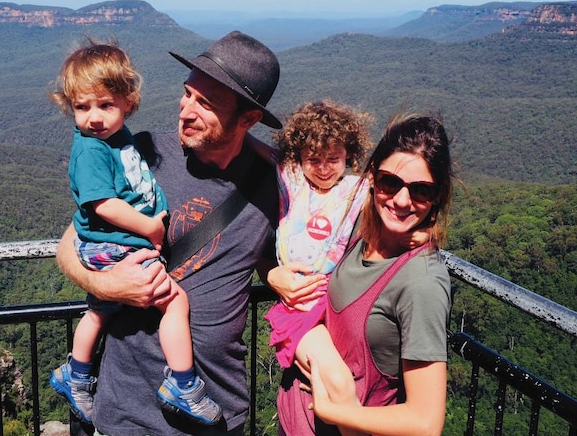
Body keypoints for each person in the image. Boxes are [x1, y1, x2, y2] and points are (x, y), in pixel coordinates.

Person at [54, 31, 282, 436]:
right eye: (188, 93)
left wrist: (276, 275)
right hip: (125, 413)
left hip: (217, 413)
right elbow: (69, 245)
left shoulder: (274, 187)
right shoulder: (141, 154)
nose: (185, 110)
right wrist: (105, 284)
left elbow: (278, 252)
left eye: (205, 104)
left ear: (249, 120)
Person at [46, 37, 222, 426]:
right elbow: (101, 204)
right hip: (114, 246)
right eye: (82, 107)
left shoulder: (118, 139)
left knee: (98, 312)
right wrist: (150, 227)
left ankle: (74, 375)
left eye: (105, 105)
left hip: (114, 244)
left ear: (128, 102)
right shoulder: (92, 149)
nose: (94, 117)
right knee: (174, 301)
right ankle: (182, 384)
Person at [274, 114, 454, 436]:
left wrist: (335, 411)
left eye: (421, 191)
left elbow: (426, 424)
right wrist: (274, 274)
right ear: (371, 177)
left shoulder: (422, 281)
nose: (401, 200)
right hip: (296, 422)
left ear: (437, 196)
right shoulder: (361, 235)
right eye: (390, 182)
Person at [258, 99, 372, 436]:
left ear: (348, 156)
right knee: (338, 381)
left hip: (333, 306)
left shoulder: (355, 191)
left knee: (346, 382)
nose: (323, 168)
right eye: (314, 159)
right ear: (298, 158)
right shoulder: (292, 183)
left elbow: (400, 193)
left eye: (333, 159)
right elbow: (260, 150)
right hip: (298, 308)